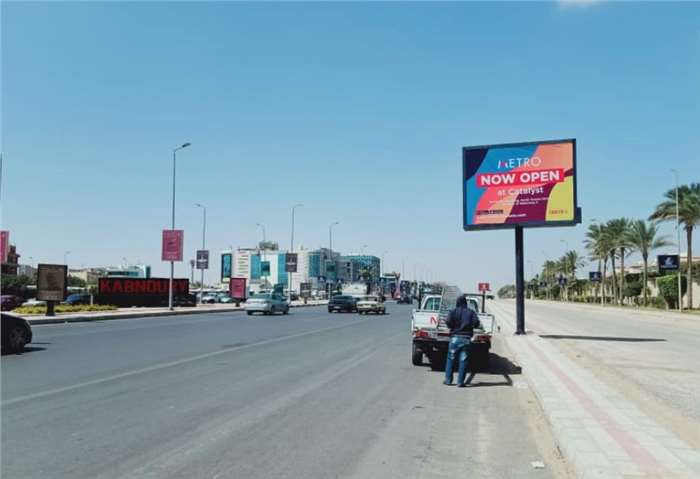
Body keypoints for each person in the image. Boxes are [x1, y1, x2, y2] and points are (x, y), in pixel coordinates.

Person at [444, 295, 481, 387]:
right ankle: (460, 382)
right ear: (465, 303)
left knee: (450, 359)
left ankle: (448, 380)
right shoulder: (471, 312)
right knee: (463, 360)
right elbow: (476, 323)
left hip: (454, 338)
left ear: (457, 302)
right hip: (466, 339)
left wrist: (452, 327)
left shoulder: (453, 312)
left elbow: (448, 322)